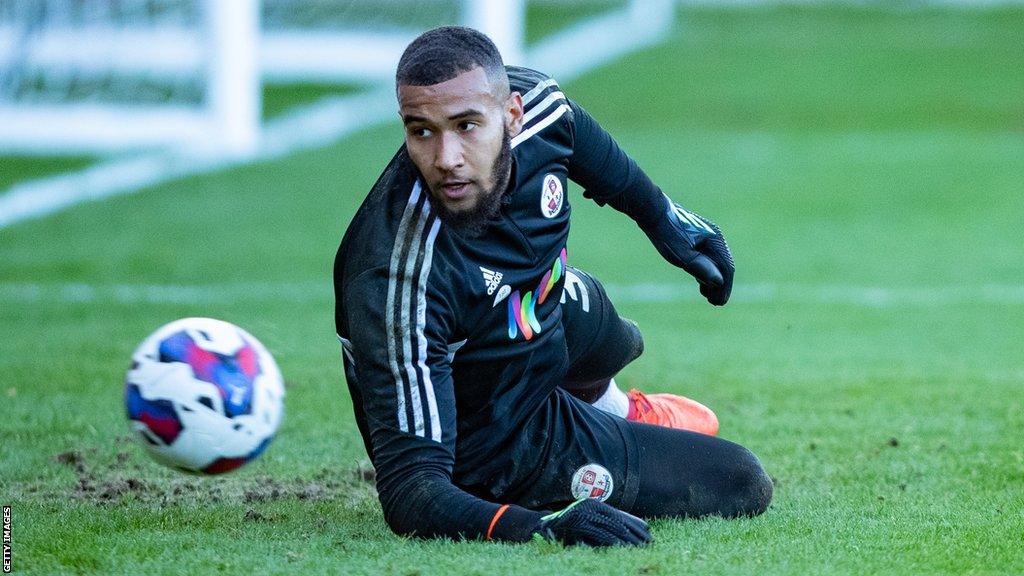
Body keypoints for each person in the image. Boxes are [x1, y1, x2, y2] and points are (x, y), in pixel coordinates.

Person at [333, 26, 772, 546]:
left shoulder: (538, 107)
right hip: (499, 439)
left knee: (604, 322)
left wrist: (666, 221)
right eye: (421, 131)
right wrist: (538, 527)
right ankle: (598, 437)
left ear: (512, 115)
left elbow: (578, 134)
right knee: (739, 480)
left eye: (466, 126)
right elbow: (412, 489)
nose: (445, 156)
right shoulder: (395, 278)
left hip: (534, 321)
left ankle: (618, 413)